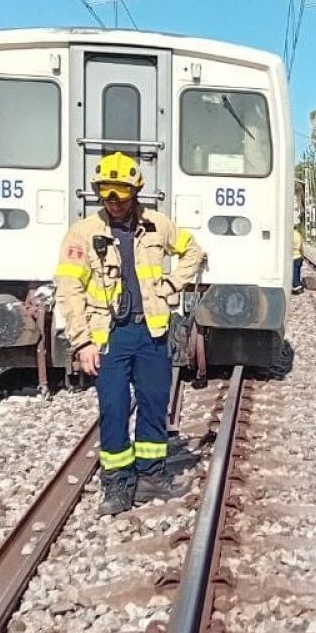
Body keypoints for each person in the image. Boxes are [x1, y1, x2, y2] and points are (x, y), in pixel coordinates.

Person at [54, 152, 206, 515]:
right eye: (107, 196)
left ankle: (151, 476)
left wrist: (171, 285)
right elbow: (68, 288)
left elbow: (193, 251)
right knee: (114, 407)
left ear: (135, 193)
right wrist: (82, 341)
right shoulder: (83, 234)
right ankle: (117, 484)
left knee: (154, 404)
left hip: (151, 332)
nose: (114, 203)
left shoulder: (156, 226)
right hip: (108, 337)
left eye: (120, 196)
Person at [292, 225, 305, 294]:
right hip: (298, 255)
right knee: (297, 272)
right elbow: (301, 247)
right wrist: (302, 255)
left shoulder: (289, 234)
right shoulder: (298, 234)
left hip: (292, 256)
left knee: (293, 272)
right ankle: (298, 285)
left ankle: (296, 287)